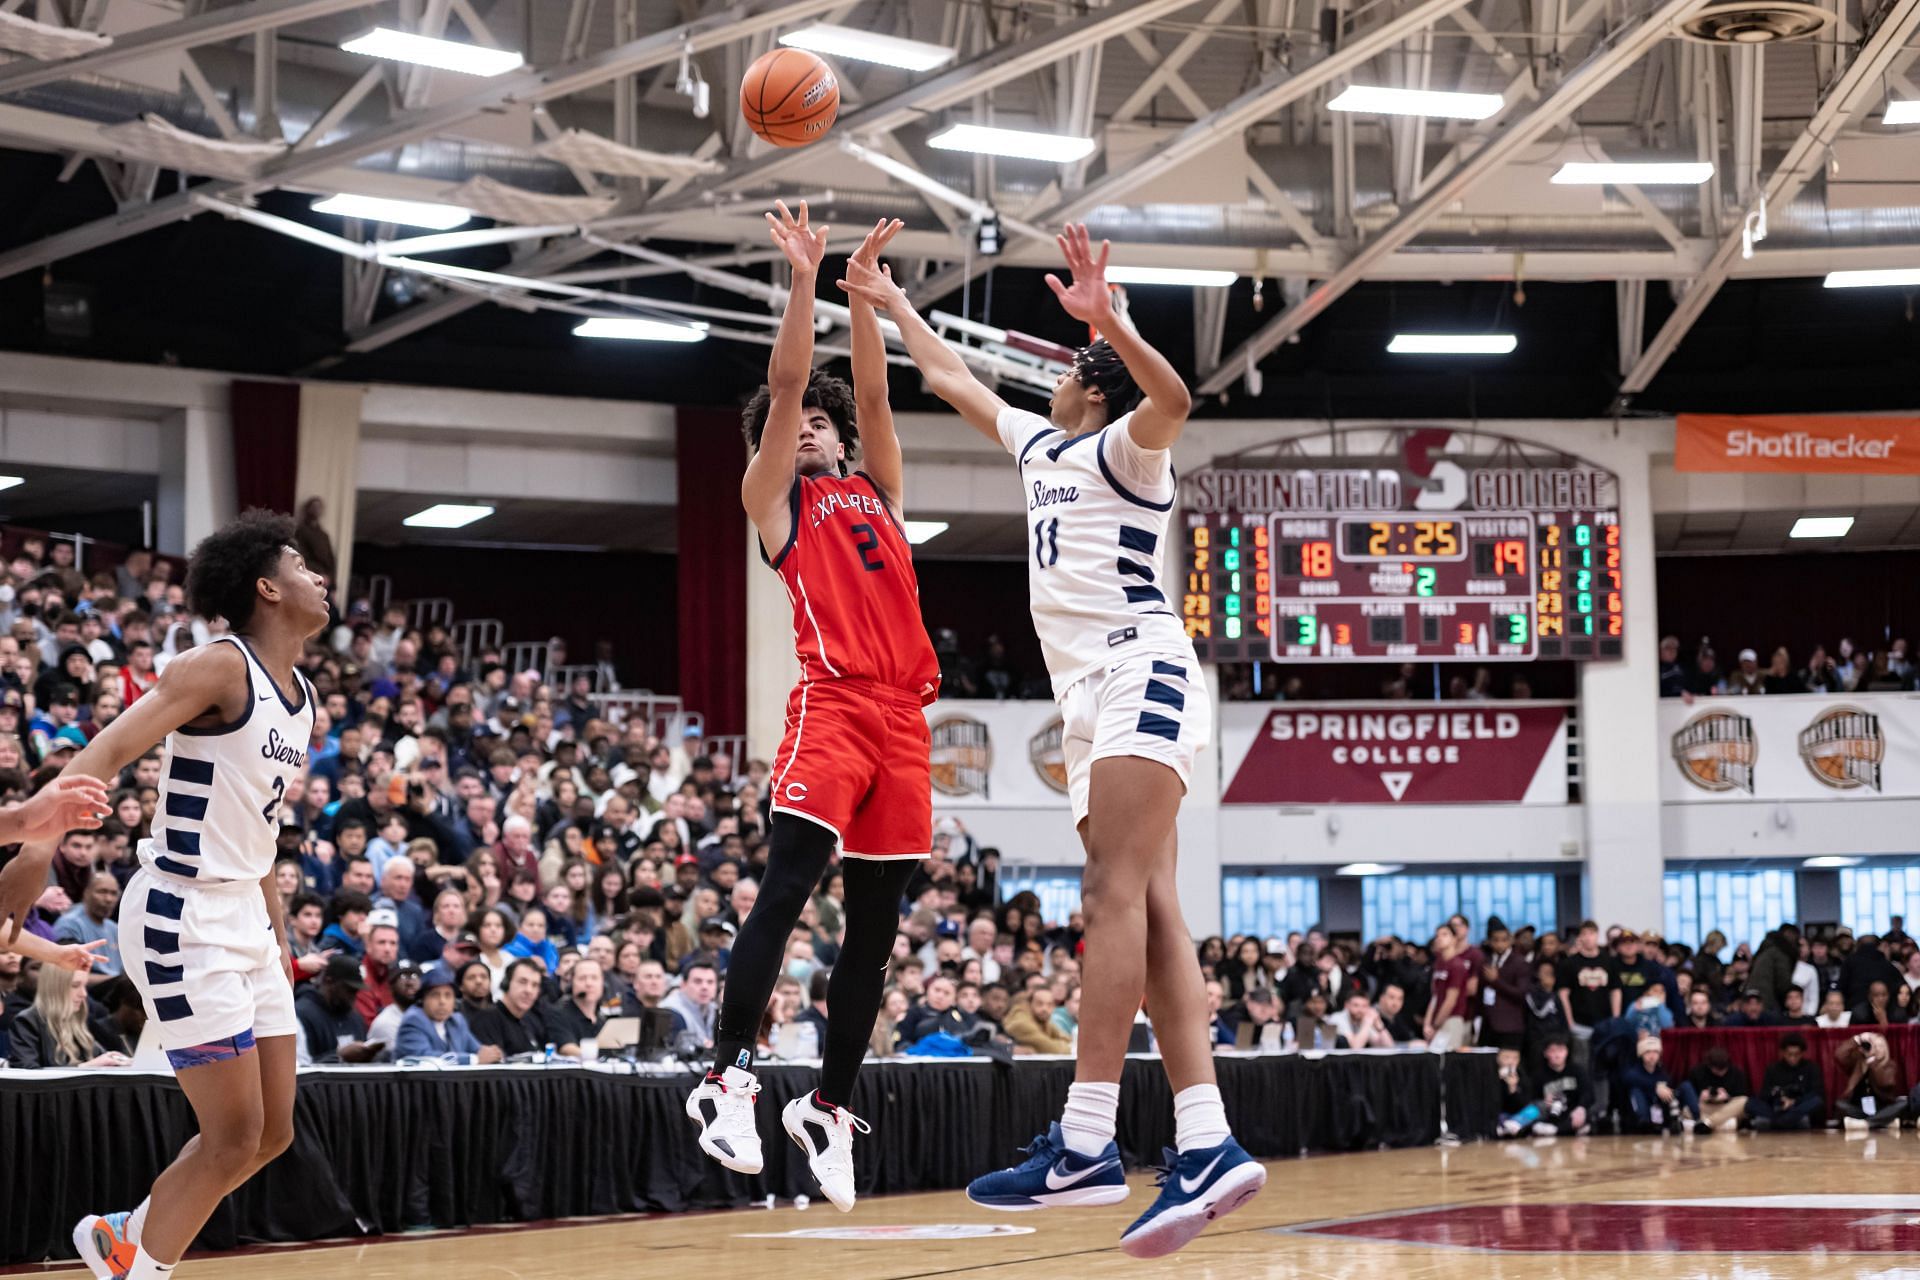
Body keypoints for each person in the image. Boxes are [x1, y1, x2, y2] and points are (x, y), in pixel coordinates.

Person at [846, 224, 1262, 1256]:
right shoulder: (1039, 443)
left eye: (1072, 366)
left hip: (1139, 668)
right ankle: (1205, 1139)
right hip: (1088, 696)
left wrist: (1112, 318)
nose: (1055, 375)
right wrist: (884, 301)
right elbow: (945, 375)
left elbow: (1176, 404)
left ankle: (1085, 1139)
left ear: (1093, 385)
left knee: (1108, 894)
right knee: (1152, 902)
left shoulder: (1128, 449)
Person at [684, 211, 937, 1216]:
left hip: (907, 719)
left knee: (875, 932)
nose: (818, 425)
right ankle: (726, 1077)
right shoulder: (775, 503)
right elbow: (790, 386)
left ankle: (830, 1105)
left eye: (826, 422)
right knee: (789, 886)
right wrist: (805, 281)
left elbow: (868, 388)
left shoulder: (879, 487)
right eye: (805, 426)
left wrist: (866, 299)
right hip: (832, 704)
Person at [0, 513, 330, 1280]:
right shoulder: (218, 667)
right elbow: (109, 748)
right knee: (231, 1135)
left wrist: (277, 942)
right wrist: (37, 847)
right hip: (181, 914)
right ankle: (139, 1265)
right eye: (301, 564)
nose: (319, 576)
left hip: (246, 909)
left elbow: (260, 829)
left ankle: (129, 1236)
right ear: (266, 586)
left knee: (273, 1131)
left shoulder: (303, 694)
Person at [6, 960, 130, 1068]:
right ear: (55, 987)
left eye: (84, 986)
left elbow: (99, 1058)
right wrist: (85, 1067)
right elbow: (28, 1074)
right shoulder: (26, 1022)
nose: (84, 994)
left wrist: (117, 1060)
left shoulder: (77, 1020)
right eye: (75, 986)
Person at [395, 967, 499, 1064]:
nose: (442, 1001)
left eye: (448, 995)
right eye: (435, 995)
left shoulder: (457, 1020)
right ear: (422, 999)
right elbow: (424, 1058)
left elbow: (477, 1049)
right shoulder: (413, 1021)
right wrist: (473, 1059)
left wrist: (492, 1054)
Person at [1621, 1036, 1704, 1135]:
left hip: (1663, 1107)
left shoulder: (1662, 1072)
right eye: (1648, 1052)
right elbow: (1628, 1080)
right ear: (1641, 1054)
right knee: (1636, 1090)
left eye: (1655, 1052)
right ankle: (1644, 1121)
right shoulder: (1633, 1072)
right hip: (1645, 1106)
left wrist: (1664, 1090)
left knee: (1686, 1086)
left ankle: (1698, 1119)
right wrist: (1656, 1087)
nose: (1652, 1055)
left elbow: (1668, 1087)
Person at [1746, 1031, 1824, 1131]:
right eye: (1789, 1054)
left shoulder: (1811, 1068)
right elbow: (1764, 1094)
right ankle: (1784, 1121)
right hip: (1776, 1108)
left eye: (1797, 1054)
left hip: (1799, 1107)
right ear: (1782, 1052)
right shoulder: (1773, 1068)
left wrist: (1794, 1102)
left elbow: (1816, 1093)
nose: (1793, 1058)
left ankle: (1779, 1122)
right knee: (1750, 1103)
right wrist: (1780, 1097)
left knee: (1816, 1101)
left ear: (1803, 1053)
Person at [1532, 1035, 1593, 1135]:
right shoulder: (1538, 1075)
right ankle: (1561, 1130)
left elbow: (1588, 1093)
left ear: (1567, 1052)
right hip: (1550, 1116)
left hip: (1573, 1113)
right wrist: (1544, 1102)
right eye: (1553, 1051)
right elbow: (1531, 1099)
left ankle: (1562, 1129)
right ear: (1545, 1053)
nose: (1557, 1055)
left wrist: (1581, 1107)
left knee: (1587, 1114)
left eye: (1561, 1050)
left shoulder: (1577, 1070)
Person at [1686, 1046, 1750, 1132]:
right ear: (1709, 1066)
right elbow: (1689, 1097)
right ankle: (1720, 1125)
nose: (1721, 1073)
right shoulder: (1697, 1072)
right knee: (1686, 1110)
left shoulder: (1736, 1073)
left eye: (1723, 1069)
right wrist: (1701, 1097)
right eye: (1717, 1070)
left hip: (1726, 1108)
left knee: (1744, 1101)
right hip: (1706, 1108)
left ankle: (1706, 1123)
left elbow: (1741, 1098)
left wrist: (1727, 1097)